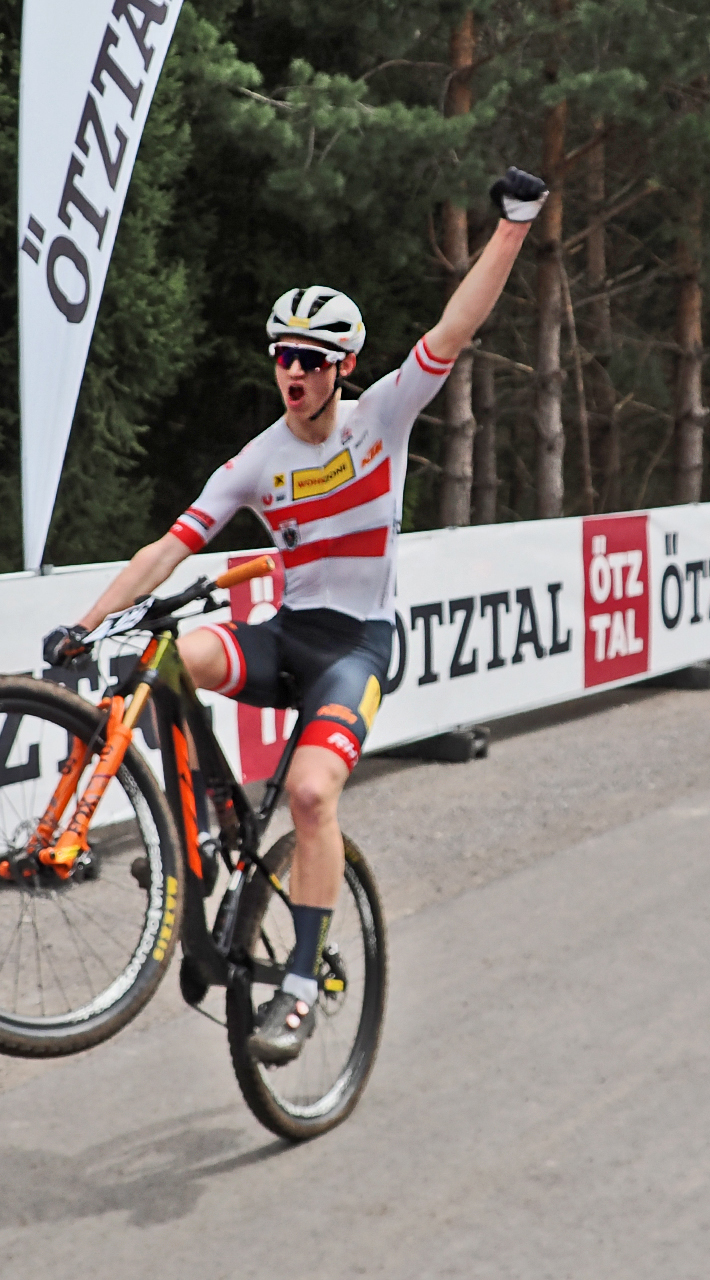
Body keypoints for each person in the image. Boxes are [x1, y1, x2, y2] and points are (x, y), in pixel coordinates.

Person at [42, 167, 550, 1065]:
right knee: (167, 657)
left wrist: (512, 226)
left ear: (342, 368)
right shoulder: (258, 458)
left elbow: (455, 326)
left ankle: (304, 984)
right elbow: (167, 548)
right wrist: (87, 625)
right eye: (283, 355)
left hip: (355, 649)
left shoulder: (381, 418)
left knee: (313, 795)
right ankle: (198, 837)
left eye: (312, 359)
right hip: (285, 637)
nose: (294, 372)